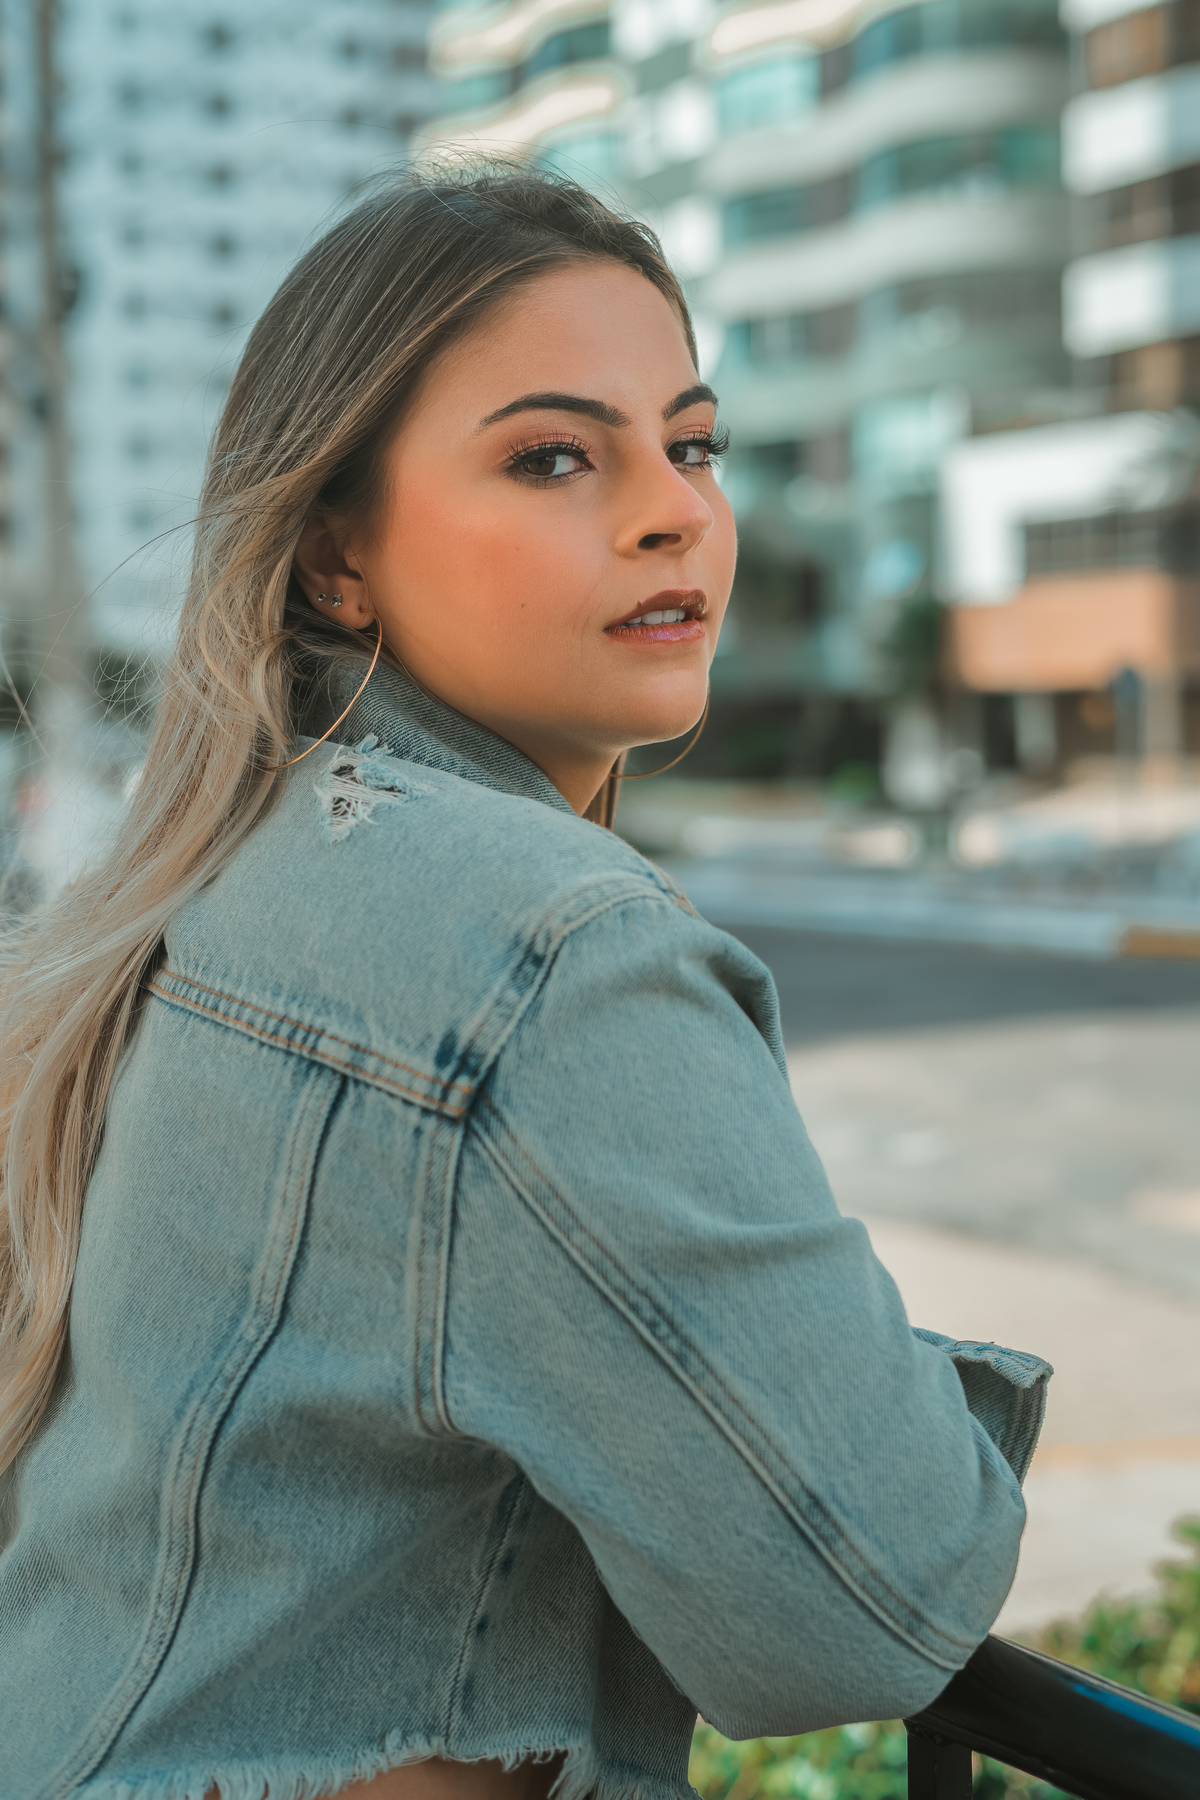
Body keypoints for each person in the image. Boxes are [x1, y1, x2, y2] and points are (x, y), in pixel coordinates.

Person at [0, 170, 1050, 1800]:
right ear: (337, 558)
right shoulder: (542, 946)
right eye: (554, 455)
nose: (671, 511)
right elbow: (873, 1600)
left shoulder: (234, 863)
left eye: (689, 444)